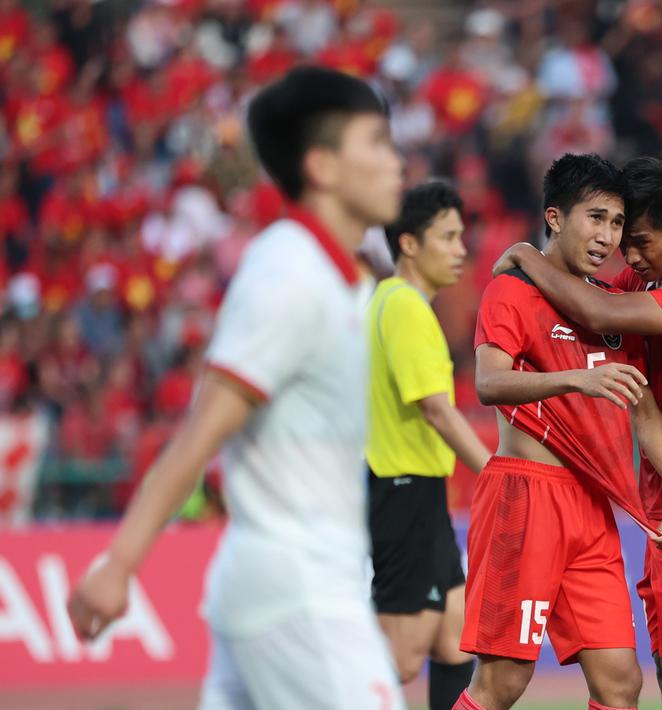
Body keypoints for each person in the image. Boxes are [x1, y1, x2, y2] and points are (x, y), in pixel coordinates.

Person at [66, 66, 407, 710]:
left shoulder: (345, 279)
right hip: (298, 592)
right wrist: (119, 564)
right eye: (377, 143)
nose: (398, 163)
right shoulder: (289, 274)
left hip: (288, 584)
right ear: (322, 167)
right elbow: (201, 433)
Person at [496, 156, 662, 710]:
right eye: (626, 243)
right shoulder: (649, 278)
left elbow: (595, 310)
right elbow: (580, 293)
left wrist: (525, 254)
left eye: (641, 242)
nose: (632, 258)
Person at [455, 153, 662, 710]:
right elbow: (489, 383)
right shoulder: (511, 291)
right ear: (556, 217)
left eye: (617, 222)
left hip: (591, 506)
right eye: (596, 218)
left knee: (620, 684)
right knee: (501, 683)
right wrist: (576, 381)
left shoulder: (611, 308)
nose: (607, 236)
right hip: (525, 497)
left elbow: (642, 409)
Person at [366, 181, 491, 708]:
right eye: (447, 236)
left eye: (461, 236)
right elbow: (436, 409)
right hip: (404, 489)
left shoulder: (392, 301)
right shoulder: (405, 306)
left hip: (418, 492)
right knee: (398, 660)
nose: (461, 249)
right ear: (409, 244)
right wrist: (496, 473)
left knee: (455, 637)